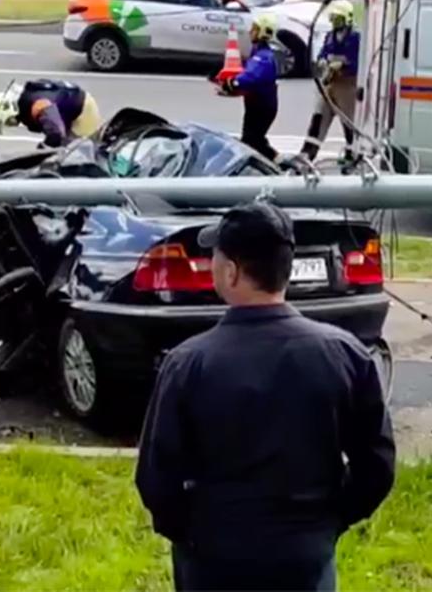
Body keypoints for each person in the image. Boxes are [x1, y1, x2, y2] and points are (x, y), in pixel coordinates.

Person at [136, 202, 396, 591]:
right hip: (305, 554)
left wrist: (191, 533)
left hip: (214, 556)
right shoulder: (345, 356)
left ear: (231, 271)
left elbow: (157, 479)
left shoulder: (188, 363)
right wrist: (330, 520)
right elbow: (376, 465)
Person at [301, 0, 360, 164]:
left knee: (347, 121)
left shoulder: (355, 38)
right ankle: (308, 152)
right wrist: (321, 61)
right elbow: (323, 53)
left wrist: (344, 64)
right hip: (328, 83)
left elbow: (360, 62)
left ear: (347, 19)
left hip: (347, 84)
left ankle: (352, 152)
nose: (335, 23)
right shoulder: (330, 36)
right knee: (319, 116)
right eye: (333, 19)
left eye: (338, 19)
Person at [216, 13, 280, 161]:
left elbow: (250, 77)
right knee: (254, 140)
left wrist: (233, 83)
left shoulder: (263, 57)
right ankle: (276, 162)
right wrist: (230, 87)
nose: (250, 31)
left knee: (251, 141)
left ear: (263, 33)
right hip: (255, 105)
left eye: (255, 29)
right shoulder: (257, 51)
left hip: (262, 107)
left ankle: (279, 163)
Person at [0, 78, 101, 148]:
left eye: (7, 122)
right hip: (75, 106)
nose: (11, 125)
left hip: (83, 112)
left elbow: (56, 133)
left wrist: (44, 148)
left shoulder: (37, 106)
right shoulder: (25, 98)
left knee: (76, 153)